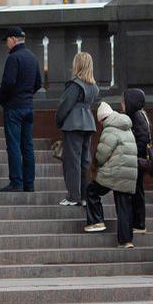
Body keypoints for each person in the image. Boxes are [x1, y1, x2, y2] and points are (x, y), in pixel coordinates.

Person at [0, 26, 41, 191]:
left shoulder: (13, 58)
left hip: (14, 107)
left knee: (14, 145)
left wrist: (3, 99)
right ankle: (29, 184)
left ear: (13, 39)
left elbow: (8, 83)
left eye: (7, 40)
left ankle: (16, 182)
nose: (6, 44)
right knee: (27, 146)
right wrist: (27, 94)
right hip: (28, 106)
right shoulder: (32, 57)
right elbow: (38, 83)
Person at [55, 51, 99, 212]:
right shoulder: (93, 86)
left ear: (77, 65)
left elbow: (64, 106)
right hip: (88, 123)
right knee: (85, 161)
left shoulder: (75, 84)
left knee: (71, 161)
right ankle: (84, 197)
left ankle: (73, 197)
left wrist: (59, 121)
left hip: (73, 124)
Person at [93, 101, 141, 246]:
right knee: (124, 207)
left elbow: (102, 155)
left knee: (91, 190)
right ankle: (126, 241)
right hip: (129, 173)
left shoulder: (109, 130)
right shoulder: (126, 127)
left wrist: (96, 164)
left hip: (115, 173)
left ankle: (96, 221)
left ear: (102, 119)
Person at [123, 88, 151, 234]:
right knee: (137, 190)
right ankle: (138, 223)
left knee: (136, 191)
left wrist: (132, 154)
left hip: (135, 160)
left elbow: (142, 139)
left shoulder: (136, 117)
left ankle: (139, 223)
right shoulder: (140, 115)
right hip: (136, 159)